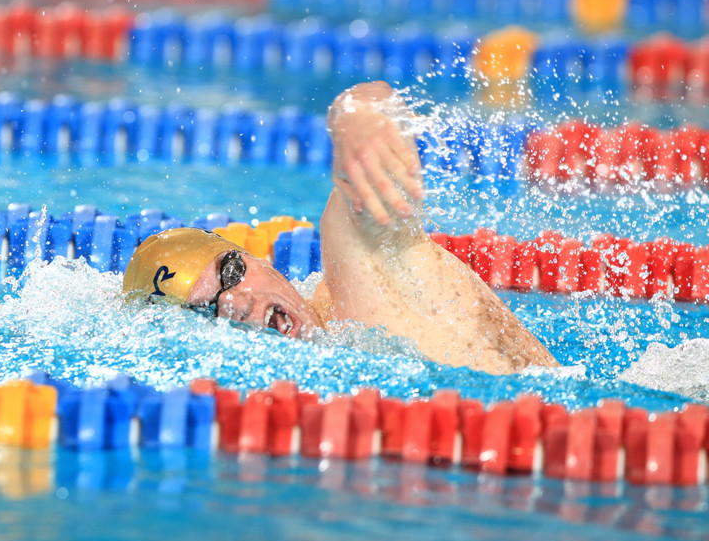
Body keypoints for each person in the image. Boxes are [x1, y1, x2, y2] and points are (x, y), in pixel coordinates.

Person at [121, 82, 558, 375]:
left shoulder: (365, 280)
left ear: (255, 259)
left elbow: (373, 110)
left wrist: (353, 116)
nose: (234, 303)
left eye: (231, 272)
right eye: (204, 311)